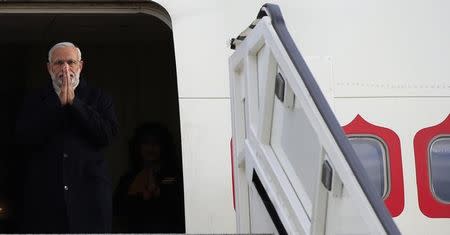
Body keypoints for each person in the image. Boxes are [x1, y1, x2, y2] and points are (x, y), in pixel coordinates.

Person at [15, 42, 118, 233]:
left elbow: (107, 136)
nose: (65, 68)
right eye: (59, 63)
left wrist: (74, 103)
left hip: (90, 195)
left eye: (71, 62)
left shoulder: (99, 97)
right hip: (45, 196)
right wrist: (57, 104)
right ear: (49, 67)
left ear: (80, 66)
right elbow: (24, 138)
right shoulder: (34, 99)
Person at [114, 123, 184, 233]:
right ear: (138, 147)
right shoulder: (127, 179)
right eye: (146, 143)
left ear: (164, 147)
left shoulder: (175, 176)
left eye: (156, 143)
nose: (151, 147)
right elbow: (119, 212)